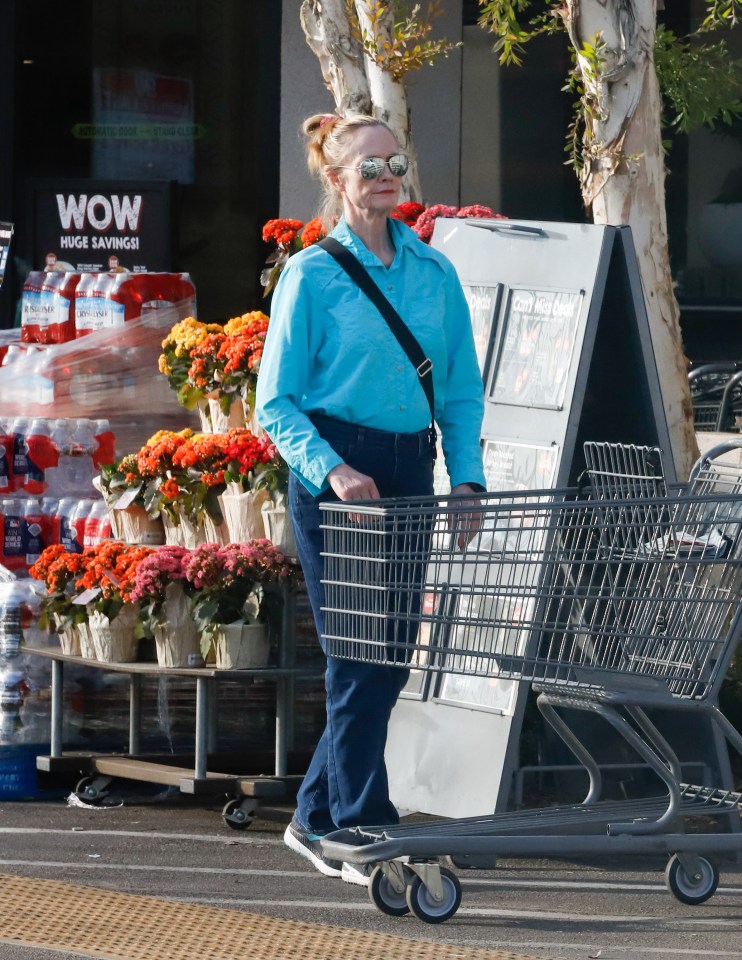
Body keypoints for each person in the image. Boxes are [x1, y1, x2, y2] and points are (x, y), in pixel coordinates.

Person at [255, 112, 486, 886]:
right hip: (342, 478)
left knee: (388, 659)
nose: (387, 176)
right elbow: (274, 404)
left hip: (410, 472)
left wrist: (468, 479)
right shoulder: (311, 275)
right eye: (369, 167)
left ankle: (314, 817)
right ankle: (362, 820)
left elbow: (459, 395)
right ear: (336, 180)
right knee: (358, 656)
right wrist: (332, 471)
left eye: (397, 163)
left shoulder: (434, 272)